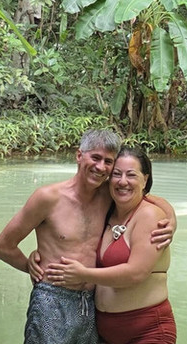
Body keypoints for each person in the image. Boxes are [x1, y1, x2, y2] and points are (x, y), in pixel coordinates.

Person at [0, 130, 175, 344]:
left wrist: (171, 220)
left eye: (108, 161)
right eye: (95, 158)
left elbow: (147, 197)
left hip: (90, 305)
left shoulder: (109, 194)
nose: (101, 167)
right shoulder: (48, 197)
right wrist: (31, 267)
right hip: (53, 300)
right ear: (79, 155)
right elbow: (2, 247)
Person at [45, 146, 176, 344]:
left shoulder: (150, 215)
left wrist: (82, 274)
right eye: (116, 174)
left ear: (145, 179)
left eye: (131, 175)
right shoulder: (107, 211)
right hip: (104, 334)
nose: (123, 181)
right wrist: (40, 256)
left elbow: (136, 274)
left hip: (147, 331)